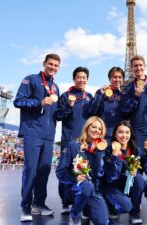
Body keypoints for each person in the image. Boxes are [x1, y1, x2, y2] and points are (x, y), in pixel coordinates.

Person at [13, 53, 61, 222]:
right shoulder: (31, 79)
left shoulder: (56, 88)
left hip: (49, 135)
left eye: (56, 65)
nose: (53, 67)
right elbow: (18, 101)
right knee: (31, 169)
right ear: (44, 63)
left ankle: (39, 204)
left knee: (44, 171)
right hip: (32, 132)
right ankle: (25, 206)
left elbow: (56, 114)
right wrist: (39, 103)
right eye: (50, 64)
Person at [56, 116, 109, 225]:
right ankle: (75, 213)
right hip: (74, 188)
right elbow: (60, 172)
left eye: (99, 129)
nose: (96, 130)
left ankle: (86, 209)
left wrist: (101, 154)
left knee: (103, 221)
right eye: (94, 127)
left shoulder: (101, 149)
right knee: (86, 186)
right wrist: (74, 178)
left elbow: (101, 174)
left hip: (93, 190)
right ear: (87, 127)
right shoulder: (73, 145)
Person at [55, 66, 94, 213]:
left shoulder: (89, 97)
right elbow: (58, 116)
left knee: (84, 170)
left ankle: (82, 199)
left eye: (84, 77)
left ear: (87, 79)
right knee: (67, 170)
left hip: (85, 141)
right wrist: (69, 107)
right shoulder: (66, 96)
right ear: (74, 78)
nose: (81, 80)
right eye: (79, 77)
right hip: (69, 140)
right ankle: (65, 201)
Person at [102, 121, 146, 224]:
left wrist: (135, 172)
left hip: (128, 184)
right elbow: (110, 178)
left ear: (131, 134)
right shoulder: (108, 151)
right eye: (120, 132)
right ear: (115, 134)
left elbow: (141, 172)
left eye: (127, 132)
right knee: (125, 206)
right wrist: (115, 157)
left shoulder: (136, 151)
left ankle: (135, 212)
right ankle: (111, 206)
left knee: (139, 180)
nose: (124, 135)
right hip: (113, 185)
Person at [88, 67, 125, 141]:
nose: (117, 80)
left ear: (123, 79)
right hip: (103, 134)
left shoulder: (123, 95)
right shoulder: (101, 92)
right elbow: (92, 112)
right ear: (110, 78)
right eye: (114, 77)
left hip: (119, 136)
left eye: (120, 77)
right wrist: (100, 94)